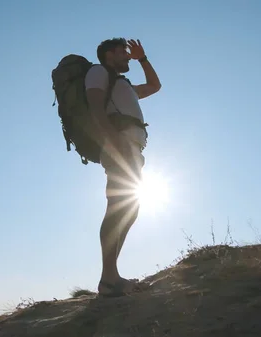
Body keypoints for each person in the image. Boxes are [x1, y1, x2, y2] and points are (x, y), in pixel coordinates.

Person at [84, 38, 161, 297]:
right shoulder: (98, 72)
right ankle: (108, 280)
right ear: (107, 54)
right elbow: (95, 107)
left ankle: (111, 276)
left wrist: (143, 59)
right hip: (120, 146)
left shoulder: (123, 83)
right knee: (118, 208)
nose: (127, 57)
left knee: (130, 209)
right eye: (122, 53)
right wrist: (114, 142)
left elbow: (154, 86)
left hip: (133, 149)